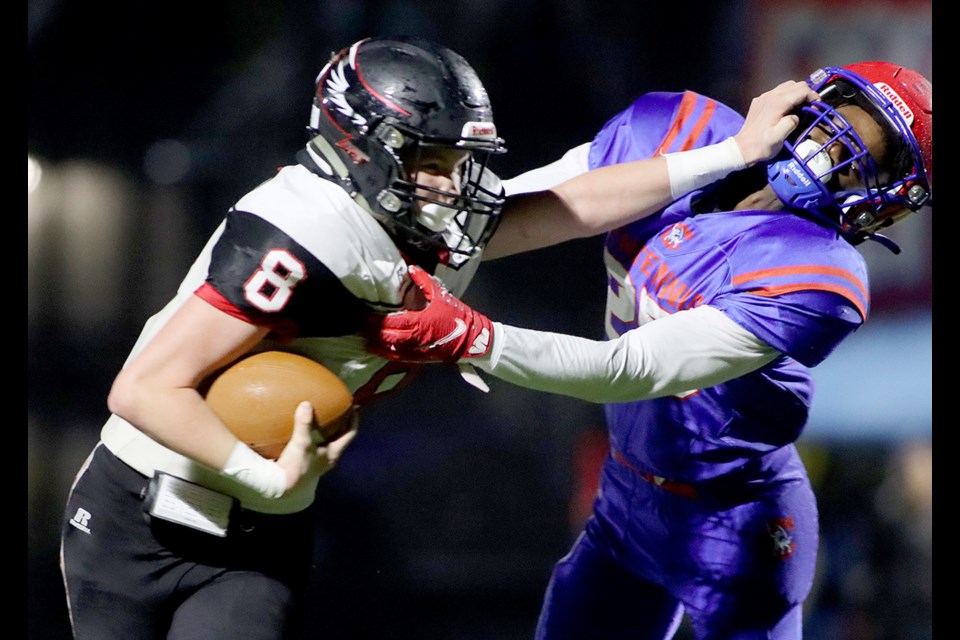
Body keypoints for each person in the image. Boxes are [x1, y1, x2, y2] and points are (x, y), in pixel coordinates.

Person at [58, 32, 811, 639]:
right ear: (361, 147)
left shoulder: (424, 222)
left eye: (461, 162)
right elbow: (144, 389)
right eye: (433, 163)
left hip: (264, 527)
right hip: (138, 510)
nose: (455, 185)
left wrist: (733, 153)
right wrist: (267, 478)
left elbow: (572, 204)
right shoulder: (305, 231)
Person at [367, 61, 932, 639]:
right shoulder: (679, 128)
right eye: (840, 121)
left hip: (734, 523)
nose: (836, 152)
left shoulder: (819, 277)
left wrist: (474, 337)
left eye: (874, 156)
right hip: (626, 495)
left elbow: (631, 369)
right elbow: (499, 218)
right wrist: (369, 234)